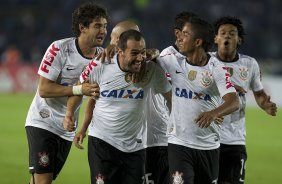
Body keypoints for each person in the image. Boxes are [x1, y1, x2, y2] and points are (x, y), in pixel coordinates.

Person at [64, 29, 172, 184]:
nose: (140, 58)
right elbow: (78, 89)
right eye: (134, 53)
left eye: (142, 52)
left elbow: (171, 99)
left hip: (135, 147)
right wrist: (69, 115)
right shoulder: (99, 65)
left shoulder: (151, 70)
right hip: (103, 143)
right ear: (120, 51)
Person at [24, 2, 108, 184]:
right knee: (43, 180)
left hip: (67, 128)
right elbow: (44, 89)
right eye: (98, 26)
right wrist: (78, 89)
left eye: (105, 26)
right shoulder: (59, 49)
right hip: (42, 120)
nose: (103, 31)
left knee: (41, 180)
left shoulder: (103, 57)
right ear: (82, 28)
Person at [157, 16, 240, 184]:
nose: (179, 37)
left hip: (208, 146)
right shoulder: (171, 60)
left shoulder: (216, 68)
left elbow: (234, 101)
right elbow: (143, 59)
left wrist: (213, 113)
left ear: (197, 42)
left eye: (185, 34)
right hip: (178, 142)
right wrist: (150, 54)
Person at [213, 16, 277, 184]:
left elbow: (259, 93)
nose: (227, 36)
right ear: (216, 38)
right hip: (208, 138)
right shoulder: (206, 61)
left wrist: (265, 104)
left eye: (232, 33)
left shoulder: (250, 64)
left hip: (235, 140)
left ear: (239, 39)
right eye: (223, 33)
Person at [143, 11, 198, 184]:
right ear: (178, 34)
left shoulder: (204, 60)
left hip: (200, 138)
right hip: (169, 137)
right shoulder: (165, 59)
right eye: (191, 31)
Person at [71, 20, 141, 149]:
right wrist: (81, 127)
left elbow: (156, 54)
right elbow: (93, 98)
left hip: (138, 142)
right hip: (102, 140)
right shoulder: (101, 62)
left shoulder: (147, 64)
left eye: (112, 39)